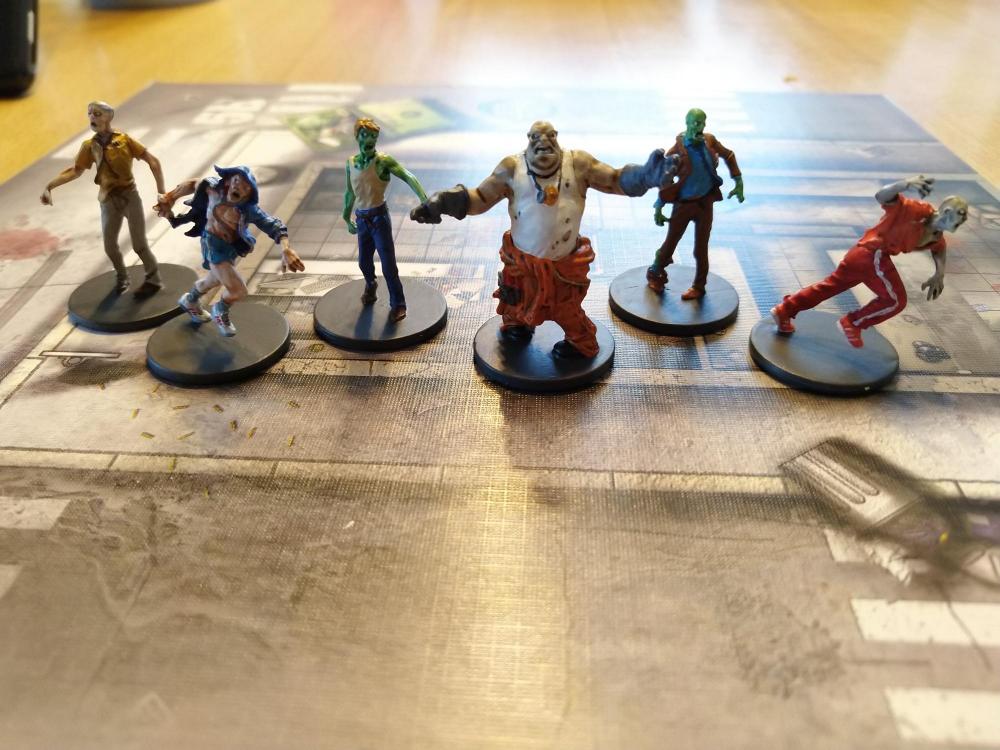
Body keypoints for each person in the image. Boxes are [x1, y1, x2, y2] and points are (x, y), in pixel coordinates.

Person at [411, 120, 674, 358]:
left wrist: (645, 176)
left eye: (550, 136)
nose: (543, 143)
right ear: (528, 140)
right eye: (536, 137)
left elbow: (614, 179)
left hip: (564, 263)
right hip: (521, 261)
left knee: (565, 309)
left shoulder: (578, 164)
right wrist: (443, 202)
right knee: (515, 299)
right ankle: (517, 324)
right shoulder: (511, 168)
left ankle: (580, 342)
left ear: (557, 138)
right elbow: (479, 198)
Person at [770, 176, 968, 348]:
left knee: (827, 287)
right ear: (946, 212)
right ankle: (853, 323)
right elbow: (881, 196)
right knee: (895, 301)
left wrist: (939, 272)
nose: (959, 224)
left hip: (860, 256)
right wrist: (904, 184)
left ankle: (784, 310)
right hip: (873, 254)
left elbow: (939, 248)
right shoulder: (915, 211)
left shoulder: (936, 234)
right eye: (958, 218)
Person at [155, 165, 304, 336]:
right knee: (238, 290)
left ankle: (190, 300)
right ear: (228, 181)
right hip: (212, 245)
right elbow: (192, 184)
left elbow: (273, 225)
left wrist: (286, 248)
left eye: (245, 186)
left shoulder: (248, 209)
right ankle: (221, 310)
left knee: (214, 279)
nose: (238, 187)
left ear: (249, 193)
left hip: (230, 249)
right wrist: (169, 197)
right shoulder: (212, 190)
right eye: (236, 181)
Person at [40, 101, 165, 296]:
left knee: (139, 245)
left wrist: (161, 191)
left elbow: (152, 161)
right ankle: (122, 277)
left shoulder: (125, 140)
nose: (92, 117)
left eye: (97, 114)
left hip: (129, 196)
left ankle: (153, 279)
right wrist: (50, 186)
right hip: (107, 199)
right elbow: (75, 171)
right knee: (110, 246)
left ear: (108, 117)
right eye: (90, 113)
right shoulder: (89, 146)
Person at [646, 108, 744, 300]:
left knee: (701, 249)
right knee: (670, 243)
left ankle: (699, 286)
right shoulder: (679, 147)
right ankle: (655, 272)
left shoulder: (709, 141)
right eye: (696, 123)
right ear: (688, 123)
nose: (700, 127)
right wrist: (659, 205)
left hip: (705, 203)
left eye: (702, 122)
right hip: (684, 204)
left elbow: (729, 155)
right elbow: (665, 176)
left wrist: (738, 180)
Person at [343, 118, 429, 323]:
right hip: (361, 219)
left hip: (379, 219)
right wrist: (346, 217)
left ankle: (398, 303)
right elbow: (349, 192)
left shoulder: (383, 161)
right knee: (364, 262)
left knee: (388, 265)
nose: (369, 140)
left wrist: (424, 199)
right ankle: (371, 285)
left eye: (373, 136)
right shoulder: (350, 163)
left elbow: (408, 176)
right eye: (365, 135)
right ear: (357, 136)